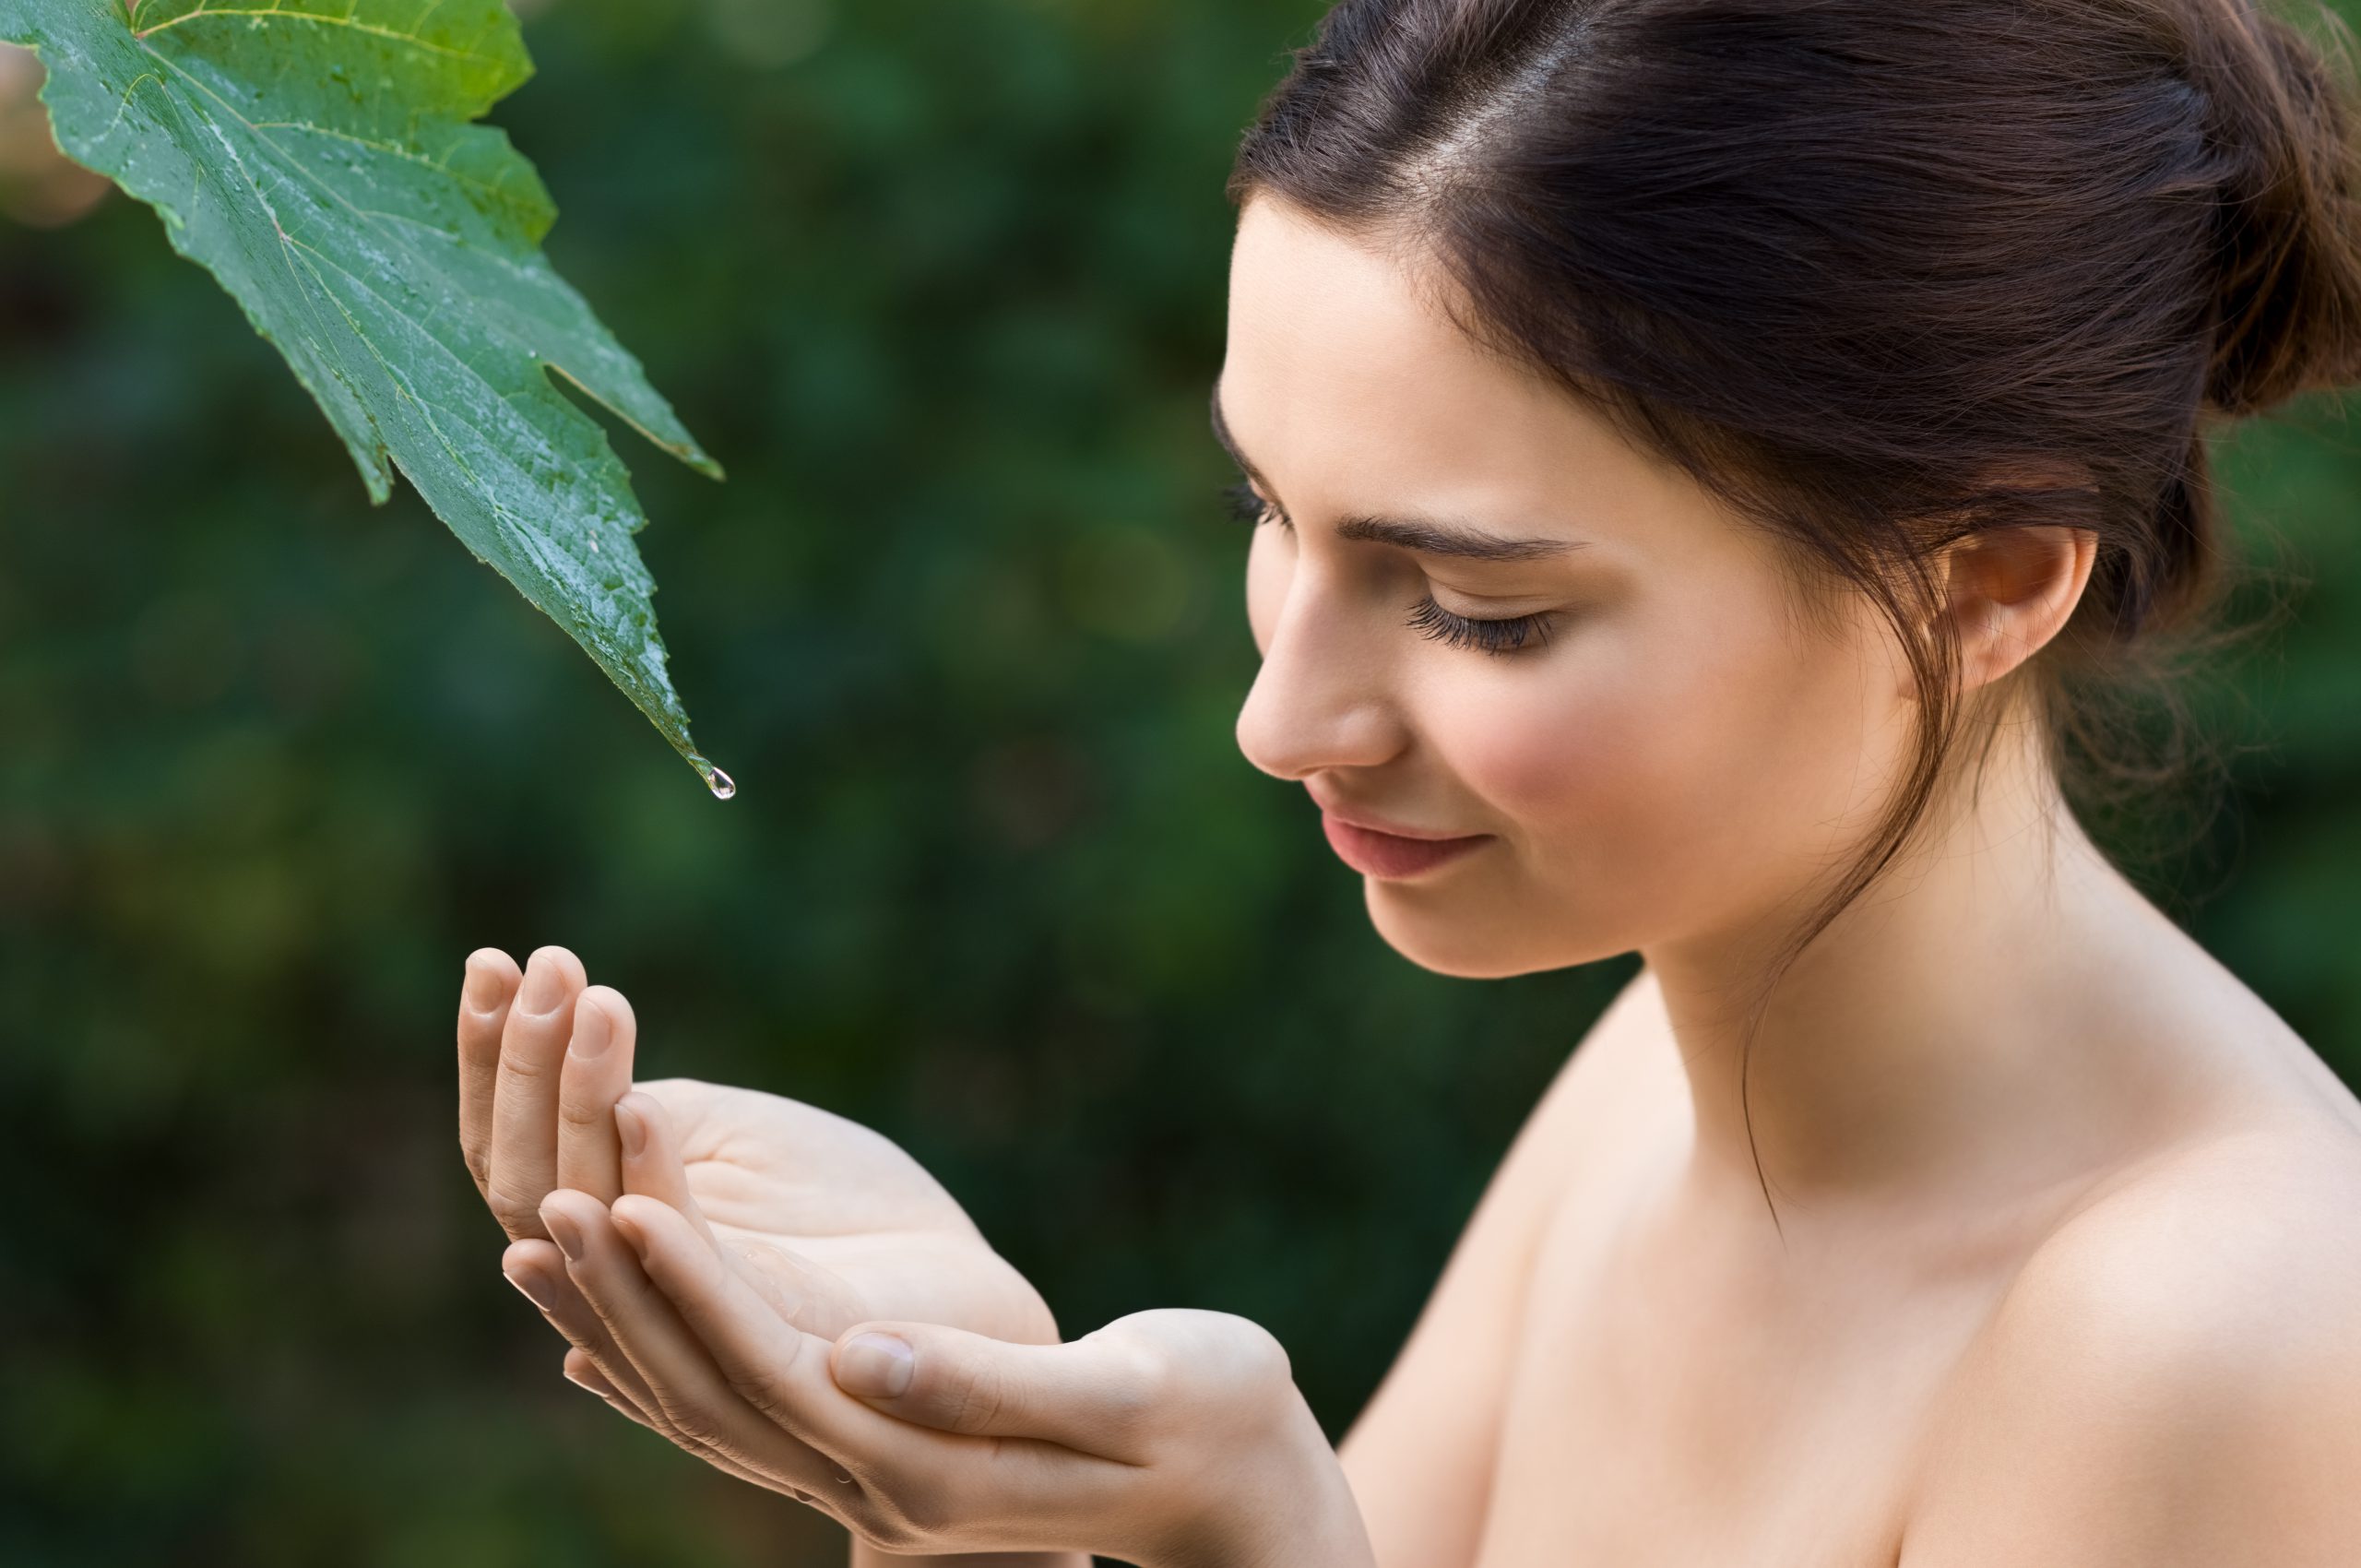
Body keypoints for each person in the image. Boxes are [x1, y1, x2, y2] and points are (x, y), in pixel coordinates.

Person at [454, 0, 2361, 1562]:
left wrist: (1263, 1538)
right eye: (1263, 514)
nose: (1279, 719)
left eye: (1475, 608)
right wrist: (964, 1444)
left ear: (1984, 582)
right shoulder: (1656, 1091)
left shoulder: (2220, 1330)